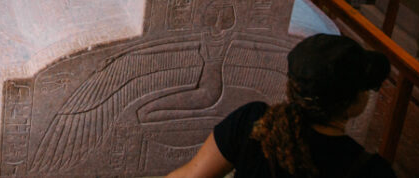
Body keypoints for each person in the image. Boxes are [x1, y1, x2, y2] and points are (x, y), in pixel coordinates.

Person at [166, 34, 396, 178]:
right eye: (366, 88)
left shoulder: (254, 122)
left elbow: (191, 175)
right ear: (351, 104)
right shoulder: (371, 171)